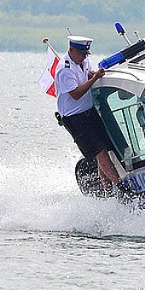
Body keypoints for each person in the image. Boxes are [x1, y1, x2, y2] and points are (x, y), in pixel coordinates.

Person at [55, 35, 122, 191]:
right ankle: (120, 186)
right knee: (98, 152)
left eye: (86, 54)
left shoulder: (83, 61)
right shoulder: (64, 69)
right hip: (75, 119)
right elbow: (76, 94)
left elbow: (87, 74)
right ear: (71, 50)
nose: (84, 57)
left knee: (105, 148)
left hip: (89, 112)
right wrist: (95, 78)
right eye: (81, 53)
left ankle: (108, 189)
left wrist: (94, 75)